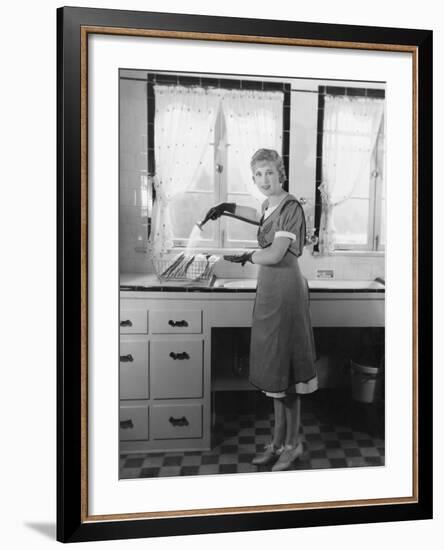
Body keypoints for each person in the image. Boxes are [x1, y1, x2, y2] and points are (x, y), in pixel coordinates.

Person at [204, 148, 318, 471]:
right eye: (258, 174)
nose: (264, 180)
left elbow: (276, 253)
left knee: (287, 373)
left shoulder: (291, 207)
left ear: (280, 173)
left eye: (269, 172)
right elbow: (257, 215)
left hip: (286, 291)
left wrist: (246, 256)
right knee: (274, 373)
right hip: (269, 291)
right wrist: (226, 208)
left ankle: (293, 445)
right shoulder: (270, 205)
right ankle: (278, 442)